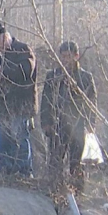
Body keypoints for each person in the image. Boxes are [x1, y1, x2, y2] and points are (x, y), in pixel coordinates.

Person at [40, 40, 97, 193]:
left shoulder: (85, 77)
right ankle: (54, 190)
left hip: (78, 125)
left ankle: (77, 192)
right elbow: (45, 100)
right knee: (55, 159)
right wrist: (45, 122)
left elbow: (91, 102)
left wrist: (91, 124)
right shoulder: (53, 76)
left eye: (68, 56)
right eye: (62, 56)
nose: (65, 60)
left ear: (76, 56)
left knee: (76, 162)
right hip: (57, 124)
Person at [0, 23, 37, 176]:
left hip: (20, 104)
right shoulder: (0, 56)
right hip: (4, 105)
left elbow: (26, 71)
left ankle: (24, 171)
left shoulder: (23, 49)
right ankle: (6, 170)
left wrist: (2, 72)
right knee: (3, 139)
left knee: (20, 138)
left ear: (3, 37)